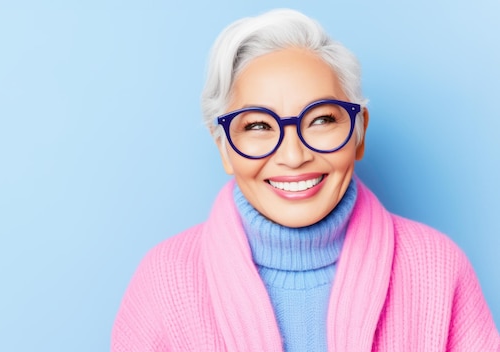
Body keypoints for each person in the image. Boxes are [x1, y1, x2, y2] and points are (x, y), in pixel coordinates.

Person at [111, 8, 500, 351]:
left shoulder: (438, 270)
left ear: (359, 132)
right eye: (259, 125)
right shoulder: (165, 281)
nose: (294, 156)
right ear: (224, 147)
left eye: (321, 120)